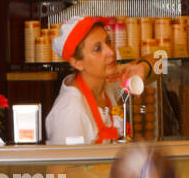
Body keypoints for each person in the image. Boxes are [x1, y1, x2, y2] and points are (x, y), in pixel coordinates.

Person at [45, 16, 151, 145]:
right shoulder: (70, 113)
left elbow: (161, 62)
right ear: (77, 63)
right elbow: (62, 165)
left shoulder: (107, 83)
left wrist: (144, 68)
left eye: (108, 41)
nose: (111, 52)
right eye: (97, 49)